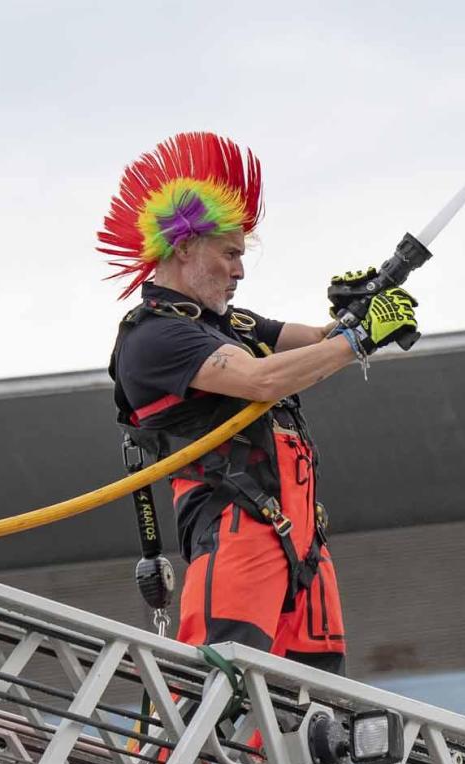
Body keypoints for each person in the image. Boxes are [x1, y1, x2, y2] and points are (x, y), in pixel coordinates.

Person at [101, 131, 418, 675]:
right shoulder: (155, 337)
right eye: (230, 254)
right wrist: (356, 338)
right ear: (183, 247)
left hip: (301, 543)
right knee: (221, 691)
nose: (240, 271)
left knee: (315, 708)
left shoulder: (228, 325)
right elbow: (262, 380)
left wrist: (355, 311)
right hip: (238, 526)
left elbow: (319, 341)